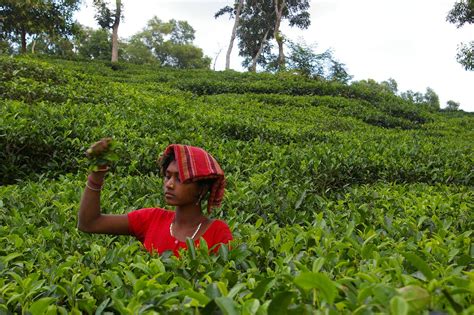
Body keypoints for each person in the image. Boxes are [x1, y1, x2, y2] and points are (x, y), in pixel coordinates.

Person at [78, 140, 233, 256]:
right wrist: (97, 173)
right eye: (167, 176)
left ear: (202, 188)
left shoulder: (217, 232)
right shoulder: (152, 219)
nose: (169, 184)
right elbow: (90, 223)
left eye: (179, 179)